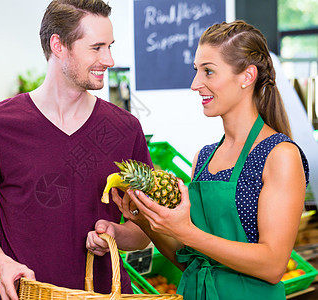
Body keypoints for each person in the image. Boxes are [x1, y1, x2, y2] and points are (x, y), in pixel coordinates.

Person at [0, 1, 151, 299]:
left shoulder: (125, 129)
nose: (110, 59)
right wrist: (3, 264)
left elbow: (142, 231)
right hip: (31, 294)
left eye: (110, 46)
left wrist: (116, 234)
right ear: (58, 45)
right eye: (97, 47)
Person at [109, 20, 309, 299]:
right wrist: (143, 220)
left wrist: (188, 232)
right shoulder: (203, 158)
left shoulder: (279, 155)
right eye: (196, 71)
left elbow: (273, 264)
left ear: (247, 76)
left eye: (209, 72)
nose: (195, 84)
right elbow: (190, 260)